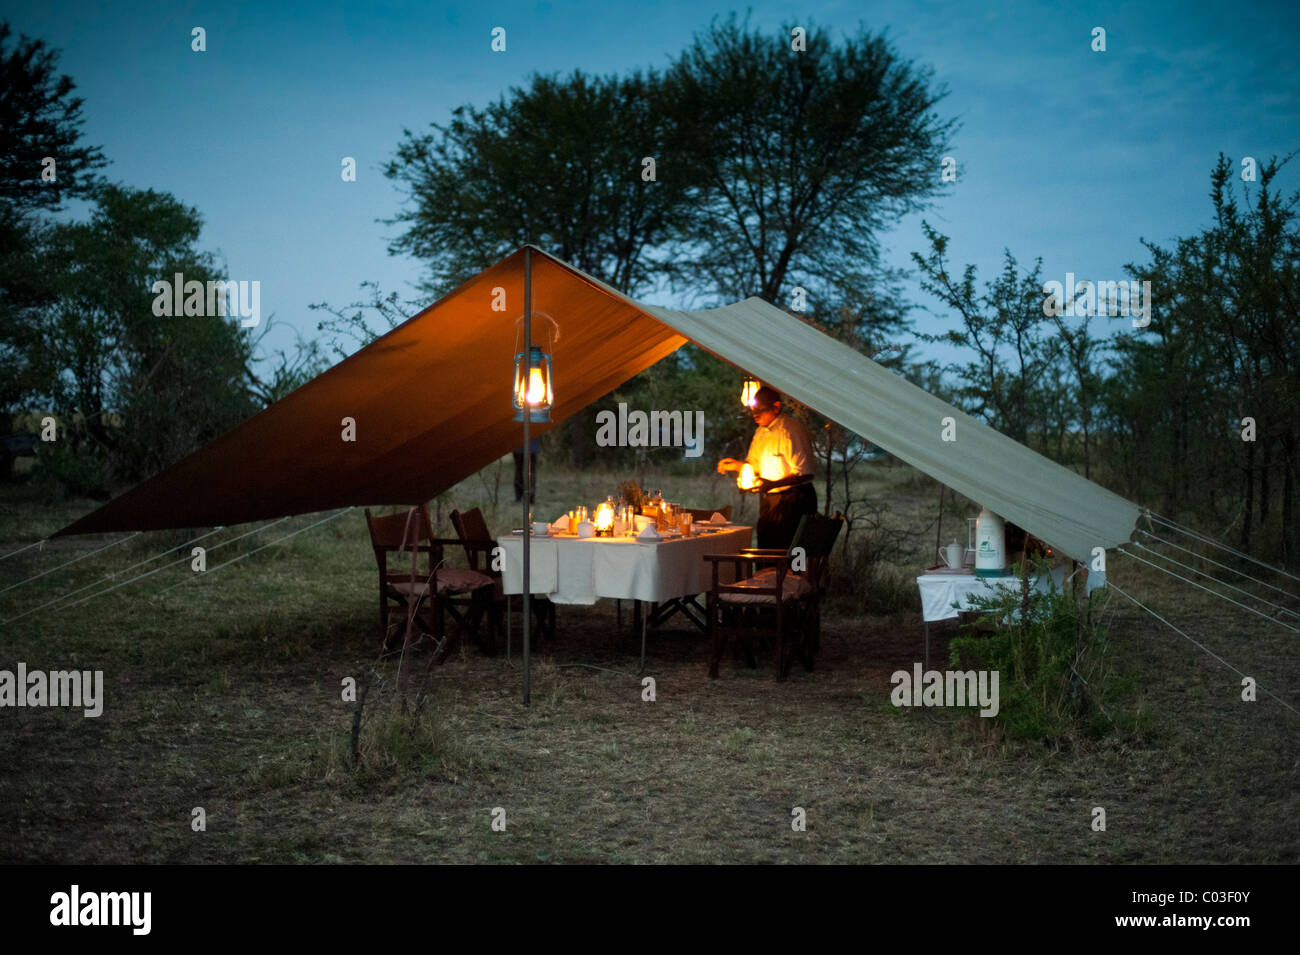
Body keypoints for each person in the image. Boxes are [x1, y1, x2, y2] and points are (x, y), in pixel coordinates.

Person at [717, 385, 817, 550]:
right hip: (771, 501)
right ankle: (766, 576)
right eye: (754, 410)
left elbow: (805, 474)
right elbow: (754, 466)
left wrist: (772, 484)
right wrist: (736, 466)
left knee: (789, 551)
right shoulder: (761, 432)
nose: (755, 415)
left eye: (760, 410)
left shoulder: (791, 430)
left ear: (776, 407)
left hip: (795, 501)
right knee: (766, 545)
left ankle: (791, 576)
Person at [513, 437, 540, 503]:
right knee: (530, 469)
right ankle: (530, 492)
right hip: (531, 445)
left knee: (520, 469)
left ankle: (521, 494)